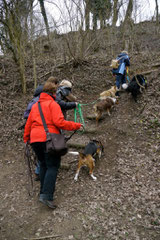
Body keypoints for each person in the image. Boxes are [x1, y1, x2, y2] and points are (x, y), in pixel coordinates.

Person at [23, 78, 82, 209]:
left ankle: (42, 192)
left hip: (35, 140)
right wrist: (77, 125)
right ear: (54, 93)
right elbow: (60, 123)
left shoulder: (35, 105)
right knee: (53, 166)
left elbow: (28, 124)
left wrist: (26, 138)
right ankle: (47, 195)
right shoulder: (53, 104)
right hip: (49, 139)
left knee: (43, 164)